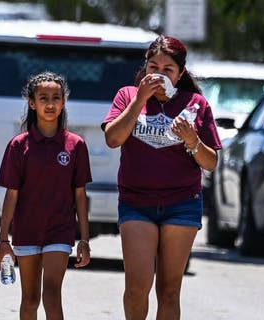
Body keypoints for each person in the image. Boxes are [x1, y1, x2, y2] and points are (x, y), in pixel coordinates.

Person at [101, 35, 222, 319]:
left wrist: (192, 139)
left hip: (181, 203)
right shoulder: (127, 96)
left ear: (180, 74)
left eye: (167, 69)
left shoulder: (196, 104)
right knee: (136, 286)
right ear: (144, 69)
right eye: (153, 67)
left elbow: (211, 162)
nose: (158, 74)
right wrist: (140, 99)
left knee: (169, 290)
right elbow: (113, 138)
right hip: (136, 202)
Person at [0, 71, 92, 319]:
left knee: (51, 294)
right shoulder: (19, 145)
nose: (50, 104)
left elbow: (80, 194)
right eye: (43, 98)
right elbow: (11, 194)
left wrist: (84, 239)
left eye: (56, 98)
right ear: (32, 103)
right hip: (26, 230)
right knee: (29, 300)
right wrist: (3, 239)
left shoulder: (75, 145)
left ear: (64, 101)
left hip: (60, 230)